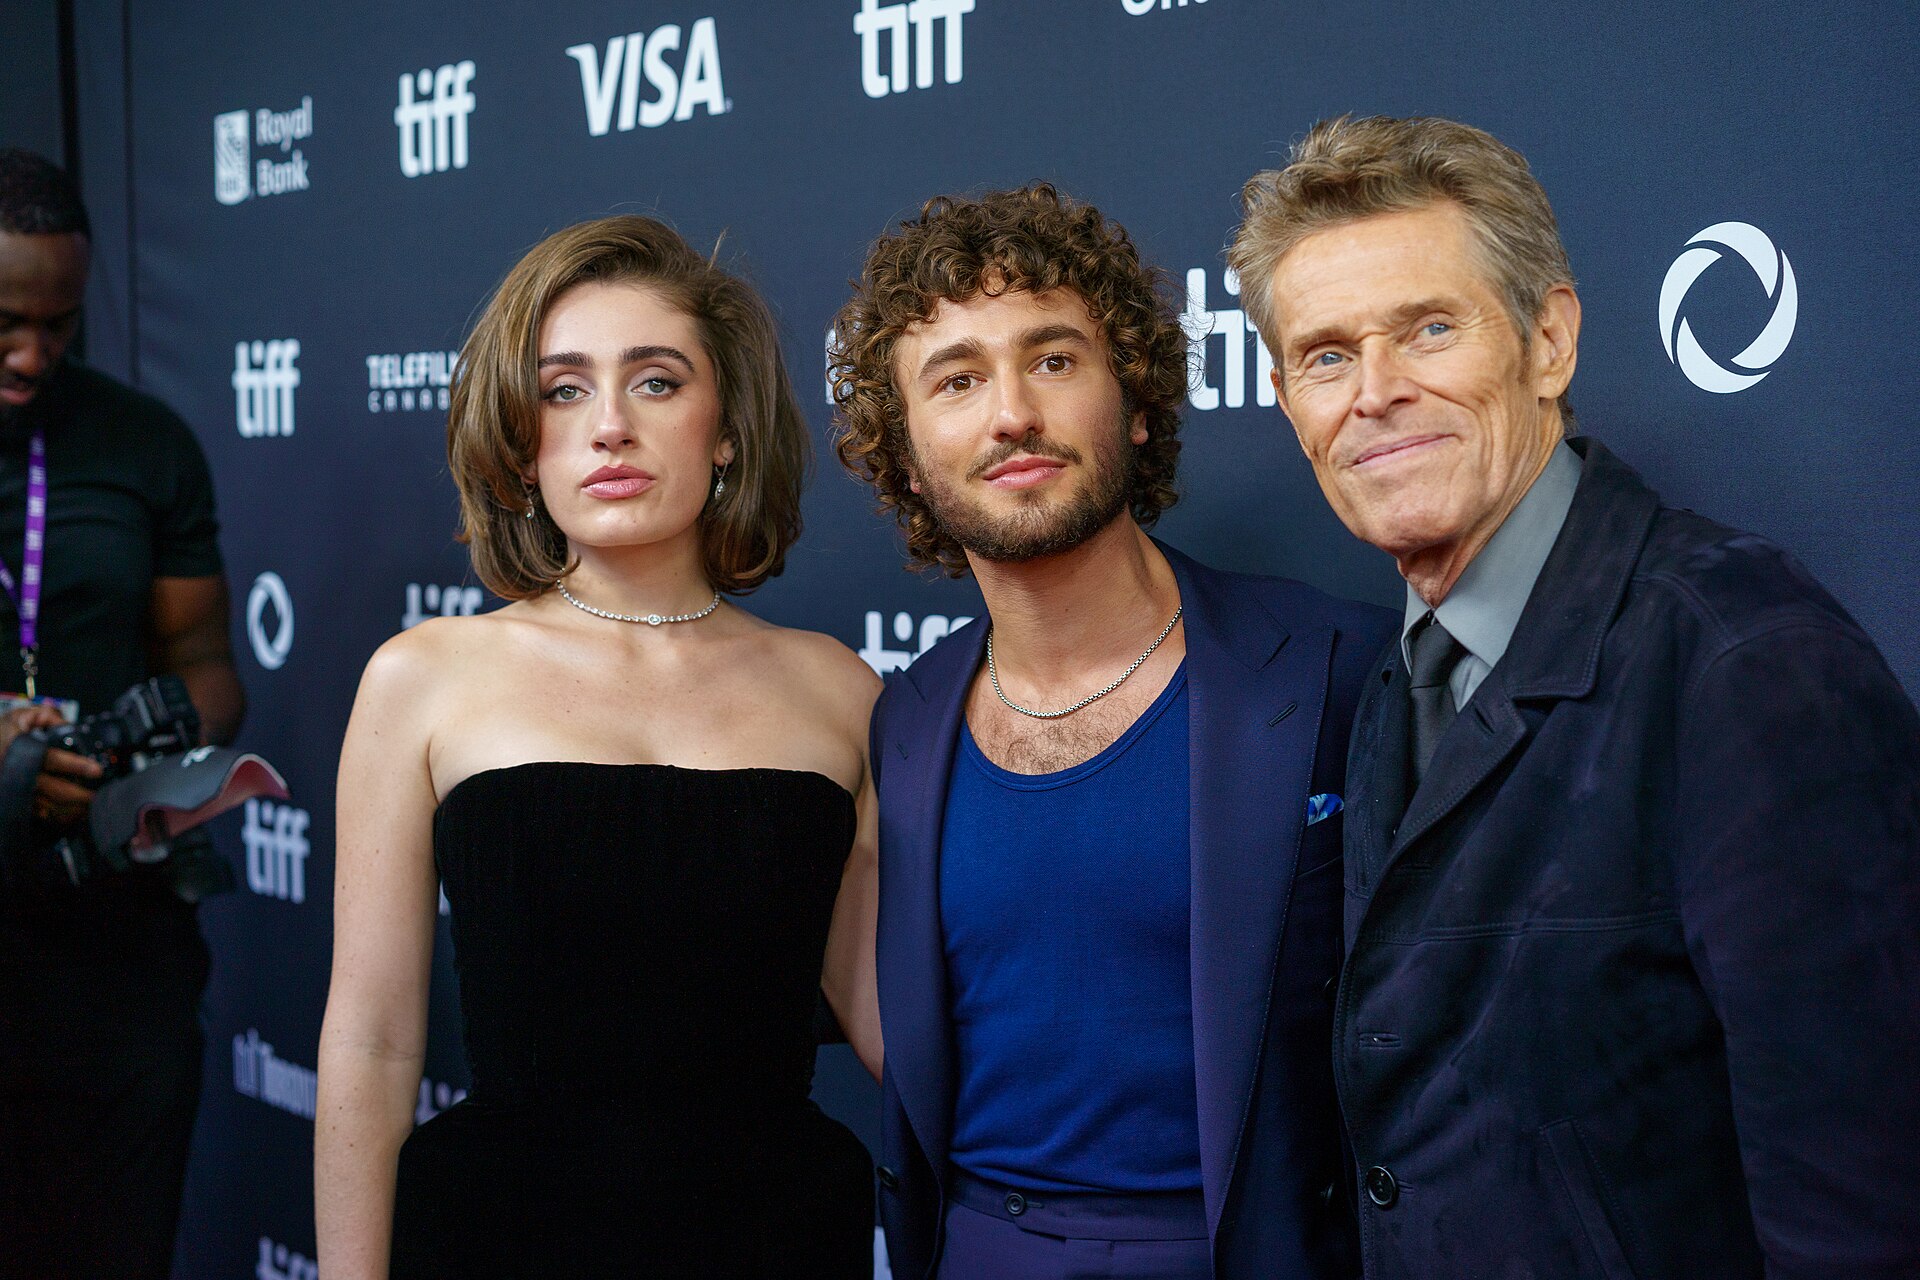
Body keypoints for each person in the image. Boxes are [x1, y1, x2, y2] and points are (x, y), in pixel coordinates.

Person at [1229, 114, 1920, 1278]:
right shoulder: (1400, 671)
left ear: (1549, 342)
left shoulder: (1746, 661)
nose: (1375, 393)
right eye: (1326, 355)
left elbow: (1866, 1203)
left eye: (1430, 328)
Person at [831, 184, 1395, 1280]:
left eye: (1052, 359)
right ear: (905, 457)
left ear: (1135, 399)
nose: (1011, 415)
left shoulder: (1344, 666)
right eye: (956, 379)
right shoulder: (902, 720)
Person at [314, 215, 882, 1279]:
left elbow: (898, 1026)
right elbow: (374, 1039)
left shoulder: (839, 688)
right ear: (519, 439)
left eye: (656, 381)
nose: (608, 425)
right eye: (563, 389)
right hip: (499, 1233)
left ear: (725, 428)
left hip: (776, 1235)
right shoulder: (424, 676)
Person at [0, 148, 246, 1280]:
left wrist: (122, 752)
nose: (30, 353)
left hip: (112, 952)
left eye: (57, 323)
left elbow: (208, 668)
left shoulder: (143, 443)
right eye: (5, 319)